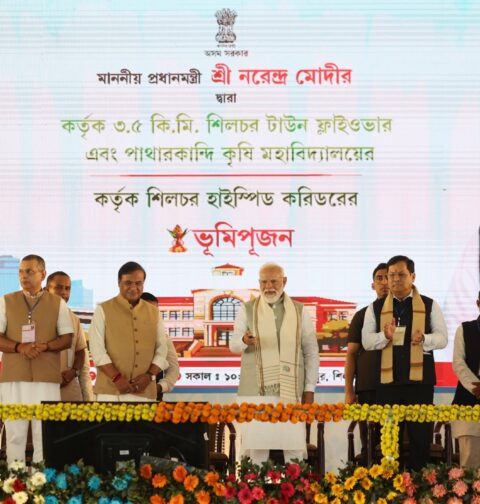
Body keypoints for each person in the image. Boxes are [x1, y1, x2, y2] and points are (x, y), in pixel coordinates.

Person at [362, 255, 448, 470]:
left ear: (413, 276)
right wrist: (385, 335)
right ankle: (391, 485)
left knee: (420, 439)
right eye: (391, 275)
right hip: (387, 385)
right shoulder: (375, 307)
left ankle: (419, 484)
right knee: (390, 442)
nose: (395, 279)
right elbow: (367, 342)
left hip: (419, 384)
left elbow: (443, 339)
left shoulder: (429, 305)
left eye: (401, 274)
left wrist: (425, 339)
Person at [230, 262, 319, 465]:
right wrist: (244, 340)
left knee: (293, 450)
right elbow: (233, 345)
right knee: (256, 450)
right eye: (264, 282)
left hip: (291, 391)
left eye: (273, 281)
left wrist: (309, 388)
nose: (268, 287)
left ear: (284, 281)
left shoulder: (299, 310)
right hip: (256, 391)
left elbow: (311, 350)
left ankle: (295, 485)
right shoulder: (247, 309)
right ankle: (254, 486)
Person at [0, 254, 73, 463]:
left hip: (46, 378)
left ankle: (42, 480)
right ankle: (14, 479)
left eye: (29, 271)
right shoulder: (6, 301)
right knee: (14, 434)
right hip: (14, 378)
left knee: (45, 433)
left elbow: (67, 338)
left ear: (42, 274)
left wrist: (47, 346)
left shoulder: (57, 303)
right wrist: (19, 347)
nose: (24, 276)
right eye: (21, 271)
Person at [89, 262, 169, 401]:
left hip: (145, 391)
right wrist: (116, 378)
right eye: (128, 283)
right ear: (119, 283)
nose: (133, 288)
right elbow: (97, 350)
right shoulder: (103, 309)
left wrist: (149, 376)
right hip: (110, 392)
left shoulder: (154, 312)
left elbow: (162, 349)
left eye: (138, 283)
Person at [344, 262, 388, 464]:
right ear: (373, 285)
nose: (384, 282)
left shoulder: (406, 313)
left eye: (388, 277)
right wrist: (349, 390)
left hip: (396, 388)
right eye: (379, 278)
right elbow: (351, 354)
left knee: (393, 445)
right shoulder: (363, 315)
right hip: (368, 387)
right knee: (369, 445)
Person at [45, 271, 94, 401]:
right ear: (46, 290)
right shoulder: (32, 317)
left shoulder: (73, 319)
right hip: (41, 390)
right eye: (58, 287)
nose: (63, 292)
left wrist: (73, 372)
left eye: (67, 288)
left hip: (70, 393)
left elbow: (81, 353)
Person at [451, 291, 480, 468]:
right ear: (478, 303)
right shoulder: (465, 329)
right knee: (470, 465)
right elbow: (458, 363)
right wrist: (476, 387)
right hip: (468, 400)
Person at [140, 292, 180, 400]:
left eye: (155, 310)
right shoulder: (121, 335)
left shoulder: (163, 338)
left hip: (152, 398)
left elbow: (173, 368)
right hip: (123, 399)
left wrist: (159, 387)